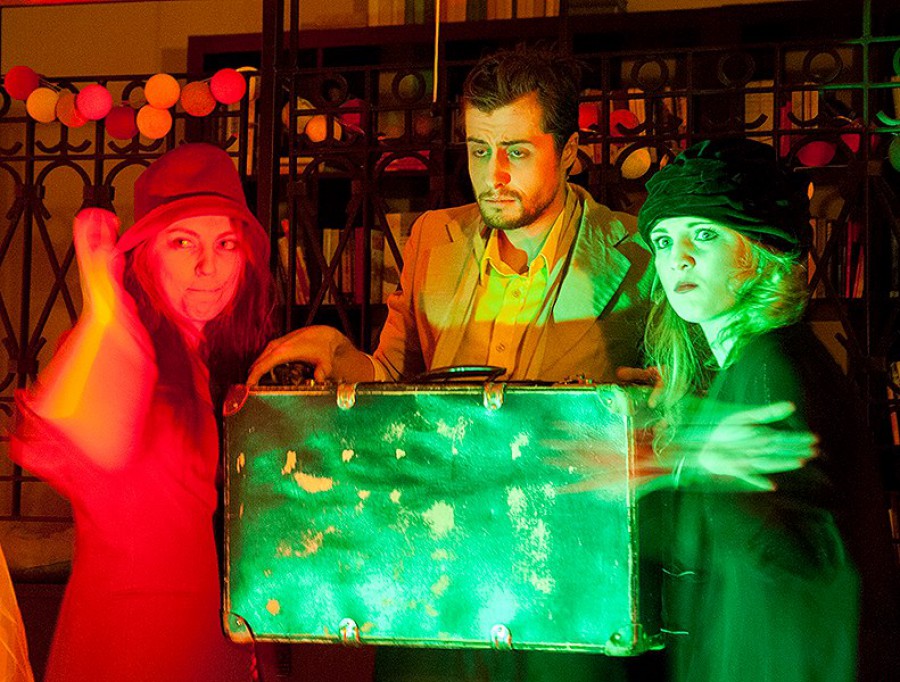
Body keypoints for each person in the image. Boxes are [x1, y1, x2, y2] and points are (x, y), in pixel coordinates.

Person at [635, 137, 900, 682]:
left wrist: (672, 471)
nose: (677, 257)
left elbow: (792, 556)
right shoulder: (752, 363)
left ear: (760, 249)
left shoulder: (771, 365)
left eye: (704, 234)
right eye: (663, 240)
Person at [9, 143, 275, 681]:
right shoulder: (128, 346)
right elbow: (66, 435)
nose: (209, 266)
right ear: (146, 255)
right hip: (131, 642)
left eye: (225, 243)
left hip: (199, 635)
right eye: (183, 242)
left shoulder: (199, 361)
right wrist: (104, 306)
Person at [249, 45, 653, 386]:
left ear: (568, 153)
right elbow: (391, 377)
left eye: (517, 152)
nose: (493, 175)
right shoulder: (432, 235)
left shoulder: (643, 254)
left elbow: (668, 389)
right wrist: (340, 354)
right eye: (480, 150)